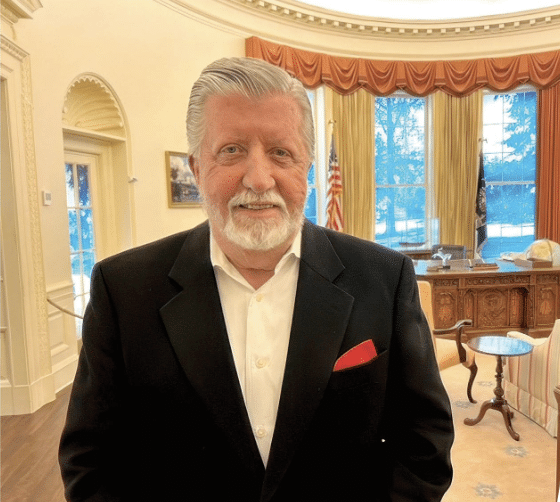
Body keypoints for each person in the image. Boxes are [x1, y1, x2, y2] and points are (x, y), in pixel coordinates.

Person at [59, 57, 454, 502]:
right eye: (231, 150)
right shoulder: (123, 290)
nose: (259, 178)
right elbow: (89, 458)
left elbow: (426, 440)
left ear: (306, 165)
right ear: (196, 168)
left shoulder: (385, 278)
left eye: (280, 152)